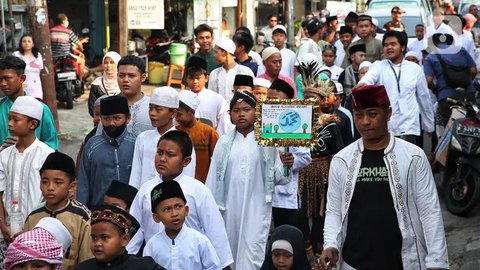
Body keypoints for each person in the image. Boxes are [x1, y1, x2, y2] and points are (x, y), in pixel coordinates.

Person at [319, 84, 449, 270]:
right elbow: (334, 210)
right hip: (353, 262)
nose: (364, 121)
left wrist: (437, 261)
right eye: (358, 115)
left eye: (372, 114)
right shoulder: (342, 160)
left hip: (403, 261)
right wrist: (330, 244)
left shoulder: (413, 157)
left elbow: (430, 211)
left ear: (387, 114)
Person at [206, 91, 292, 269]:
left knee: (252, 250)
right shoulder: (223, 142)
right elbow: (213, 178)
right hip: (227, 208)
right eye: (236, 110)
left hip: (257, 207)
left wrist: (286, 165)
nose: (241, 114)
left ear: (257, 112)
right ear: (230, 115)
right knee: (227, 249)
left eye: (246, 109)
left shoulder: (268, 141)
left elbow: (280, 179)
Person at [127, 130, 233, 268]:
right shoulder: (146, 190)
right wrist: (127, 258)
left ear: (186, 161)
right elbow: (136, 228)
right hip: (156, 261)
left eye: (170, 155)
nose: (162, 159)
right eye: (159, 153)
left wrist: (225, 265)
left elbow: (215, 231)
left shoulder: (198, 190)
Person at [295, 72, 344, 261]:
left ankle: (317, 246)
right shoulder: (296, 121)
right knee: (300, 209)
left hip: (323, 170)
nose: (309, 101)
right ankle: (306, 244)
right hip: (300, 171)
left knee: (319, 211)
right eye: (306, 97)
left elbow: (339, 152)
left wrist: (335, 174)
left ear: (323, 100)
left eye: (313, 98)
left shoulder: (330, 123)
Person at [358, 30, 435, 144]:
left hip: (409, 126)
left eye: (393, 44)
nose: (389, 47)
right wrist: (362, 84)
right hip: (386, 125)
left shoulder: (415, 69)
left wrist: (429, 126)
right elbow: (368, 79)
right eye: (386, 45)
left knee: (407, 159)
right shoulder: (378, 66)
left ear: (403, 47)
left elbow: (424, 98)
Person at [0, 97, 54, 248]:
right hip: (6, 230)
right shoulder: (4, 155)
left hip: (38, 228)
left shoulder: (46, 155)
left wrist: (31, 226)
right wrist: (2, 225)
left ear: (33, 124)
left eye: (16, 120)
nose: (10, 123)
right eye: (9, 118)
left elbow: (50, 196)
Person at [23, 152, 93, 270]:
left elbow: (86, 260)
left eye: (58, 182)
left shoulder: (81, 218)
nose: (50, 187)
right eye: (45, 182)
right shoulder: (33, 217)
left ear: (71, 187)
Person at [129, 87, 196, 189]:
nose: (152, 113)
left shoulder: (183, 141)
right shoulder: (143, 138)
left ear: (173, 113)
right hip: (145, 197)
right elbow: (136, 174)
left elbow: (188, 176)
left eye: (158, 109)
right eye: (150, 108)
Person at [144, 180, 220, 269]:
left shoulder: (200, 241)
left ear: (186, 210)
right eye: (167, 209)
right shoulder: (152, 245)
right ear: (156, 217)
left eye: (178, 206)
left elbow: (214, 267)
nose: (174, 213)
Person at [267, 79, 311, 228]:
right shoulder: (262, 121)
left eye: (275, 99)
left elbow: (305, 157)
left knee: (285, 235)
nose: (271, 103)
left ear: (287, 100)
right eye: (269, 99)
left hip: (284, 195)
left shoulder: (296, 121)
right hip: (262, 191)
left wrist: (292, 160)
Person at [77, 95, 136, 208]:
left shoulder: (136, 144)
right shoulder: (92, 145)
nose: (111, 123)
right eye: (106, 119)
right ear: (101, 118)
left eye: (117, 118)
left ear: (127, 118)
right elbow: (83, 184)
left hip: (130, 214)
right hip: (98, 213)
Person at [75, 205, 164, 270]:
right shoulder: (83, 268)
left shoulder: (143, 266)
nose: (98, 243)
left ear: (124, 240)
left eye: (105, 237)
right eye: (94, 238)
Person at [424, 33, 477, 137]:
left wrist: (437, 91)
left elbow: (429, 81)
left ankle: (451, 152)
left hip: (446, 97)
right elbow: (474, 70)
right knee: (470, 127)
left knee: (449, 130)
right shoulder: (461, 50)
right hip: (467, 94)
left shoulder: (431, 56)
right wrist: (467, 82)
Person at [0, 55, 58, 150]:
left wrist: (26, 147)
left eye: (7, 79)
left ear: (22, 78)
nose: (2, 84)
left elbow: (51, 146)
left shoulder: (41, 109)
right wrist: (4, 150)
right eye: (0, 79)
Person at [176, 90, 219, 183]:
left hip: (202, 183)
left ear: (192, 111)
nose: (177, 118)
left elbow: (218, 161)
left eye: (179, 114)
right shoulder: (175, 131)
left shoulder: (208, 132)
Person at [185, 56, 232, 135]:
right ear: (186, 79)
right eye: (191, 78)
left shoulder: (216, 99)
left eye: (198, 78)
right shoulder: (181, 98)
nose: (195, 81)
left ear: (206, 78)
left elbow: (225, 124)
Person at [116, 55, 154, 137]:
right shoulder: (111, 104)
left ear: (143, 77)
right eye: (121, 75)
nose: (125, 80)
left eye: (131, 76)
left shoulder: (152, 107)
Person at [50, 13, 86, 79]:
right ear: (64, 21)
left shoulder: (51, 31)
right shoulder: (68, 31)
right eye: (67, 20)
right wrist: (81, 49)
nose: (67, 22)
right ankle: (80, 81)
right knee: (82, 61)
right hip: (67, 57)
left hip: (53, 58)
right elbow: (78, 43)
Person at [88, 51, 121, 117]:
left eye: (112, 62)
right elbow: (92, 108)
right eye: (106, 63)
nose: (108, 65)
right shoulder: (97, 84)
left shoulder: (123, 83)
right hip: (101, 123)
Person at [12, 34, 44, 100]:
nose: (26, 43)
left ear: (33, 44)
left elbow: (39, 72)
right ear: (21, 43)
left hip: (36, 88)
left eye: (29, 41)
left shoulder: (38, 55)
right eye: (24, 41)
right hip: (21, 88)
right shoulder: (16, 55)